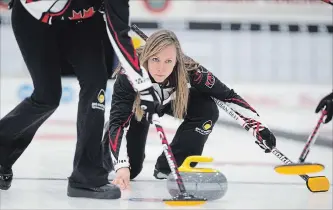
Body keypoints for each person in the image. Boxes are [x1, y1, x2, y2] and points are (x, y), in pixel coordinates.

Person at [0, 0, 159, 199]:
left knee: (95, 83)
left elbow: (119, 34)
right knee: (46, 96)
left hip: (81, 23)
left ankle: (86, 177)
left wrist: (143, 86)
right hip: (35, 20)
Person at [101, 29, 277, 190]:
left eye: (168, 61)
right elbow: (119, 121)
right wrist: (122, 167)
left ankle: (172, 165)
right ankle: (105, 151)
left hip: (169, 102)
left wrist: (258, 127)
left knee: (207, 108)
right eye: (155, 59)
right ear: (146, 56)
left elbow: (228, 95)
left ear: (177, 61)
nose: (161, 68)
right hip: (138, 110)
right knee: (132, 169)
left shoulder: (192, 70)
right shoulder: (129, 74)